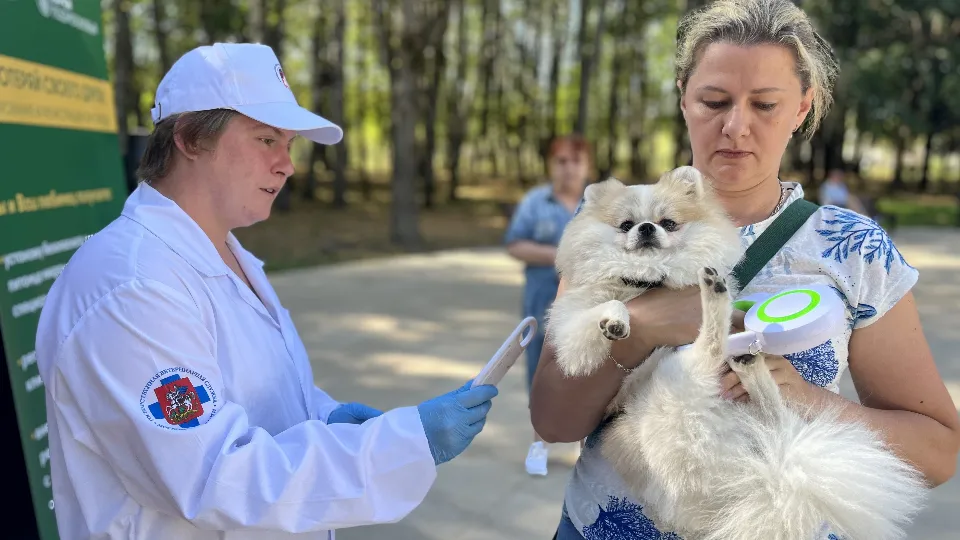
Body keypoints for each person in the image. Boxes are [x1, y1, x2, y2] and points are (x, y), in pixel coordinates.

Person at [34, 42, 499, 540]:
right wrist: (404, 443)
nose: (287, 165)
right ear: (191, 137)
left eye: (290, 144)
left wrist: (325, 416)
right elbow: (214, 478)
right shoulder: (132, 287)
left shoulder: (221, 253)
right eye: (265, 139)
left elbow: (251, 393)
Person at [529, 0, 960, 538]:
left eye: (765, 105)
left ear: (802, 108)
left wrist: (808, 399)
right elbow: (552, 420)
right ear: (684, 97)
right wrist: (643, 327)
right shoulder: (609, 228)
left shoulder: (853, 249)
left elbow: (938, 451)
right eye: (714, 101)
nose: (736, 126)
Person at [504, 135, 591, 476]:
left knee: (590, 375)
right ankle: (539, 444)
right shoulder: (535, 203)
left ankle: (586, 449)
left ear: (587, 166)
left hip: (588, 307)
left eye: (575, 161)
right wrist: (558, 257)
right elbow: (515, 244)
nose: (568, 169)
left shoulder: (599, 202)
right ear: (551, 165)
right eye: (561, 161)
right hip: (541, 304)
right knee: (542, 376)